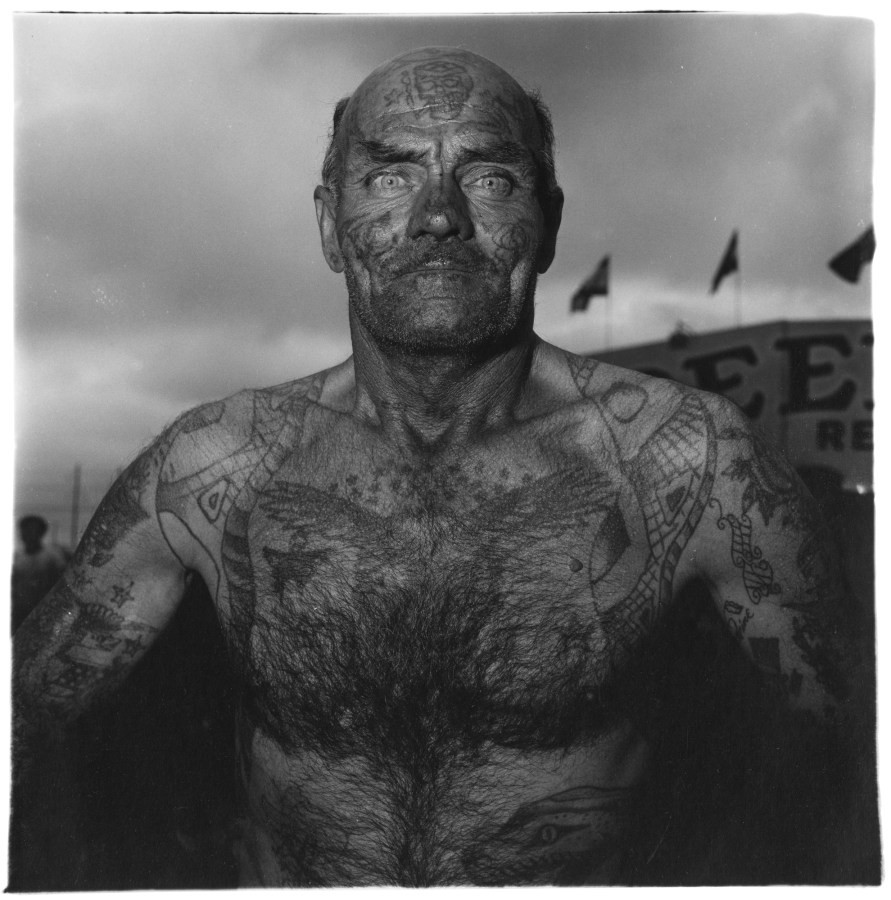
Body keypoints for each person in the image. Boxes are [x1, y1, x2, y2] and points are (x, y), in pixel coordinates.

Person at [12, 47, 863, 886]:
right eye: (390, 177)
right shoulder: (214, 468)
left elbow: (861, 747)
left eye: (489, 178)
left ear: (550, 221)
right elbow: (24, 711)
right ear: (327, 226)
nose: (438, 215)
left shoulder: (688, 463)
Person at [11, 515, 70, 633]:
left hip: (44, 610)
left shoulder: (52, 557)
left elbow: (63, 580)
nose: (29, 534)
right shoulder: (16, 558)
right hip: (19, 612)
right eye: (25, 530)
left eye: (33, 530)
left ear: (41, 533)